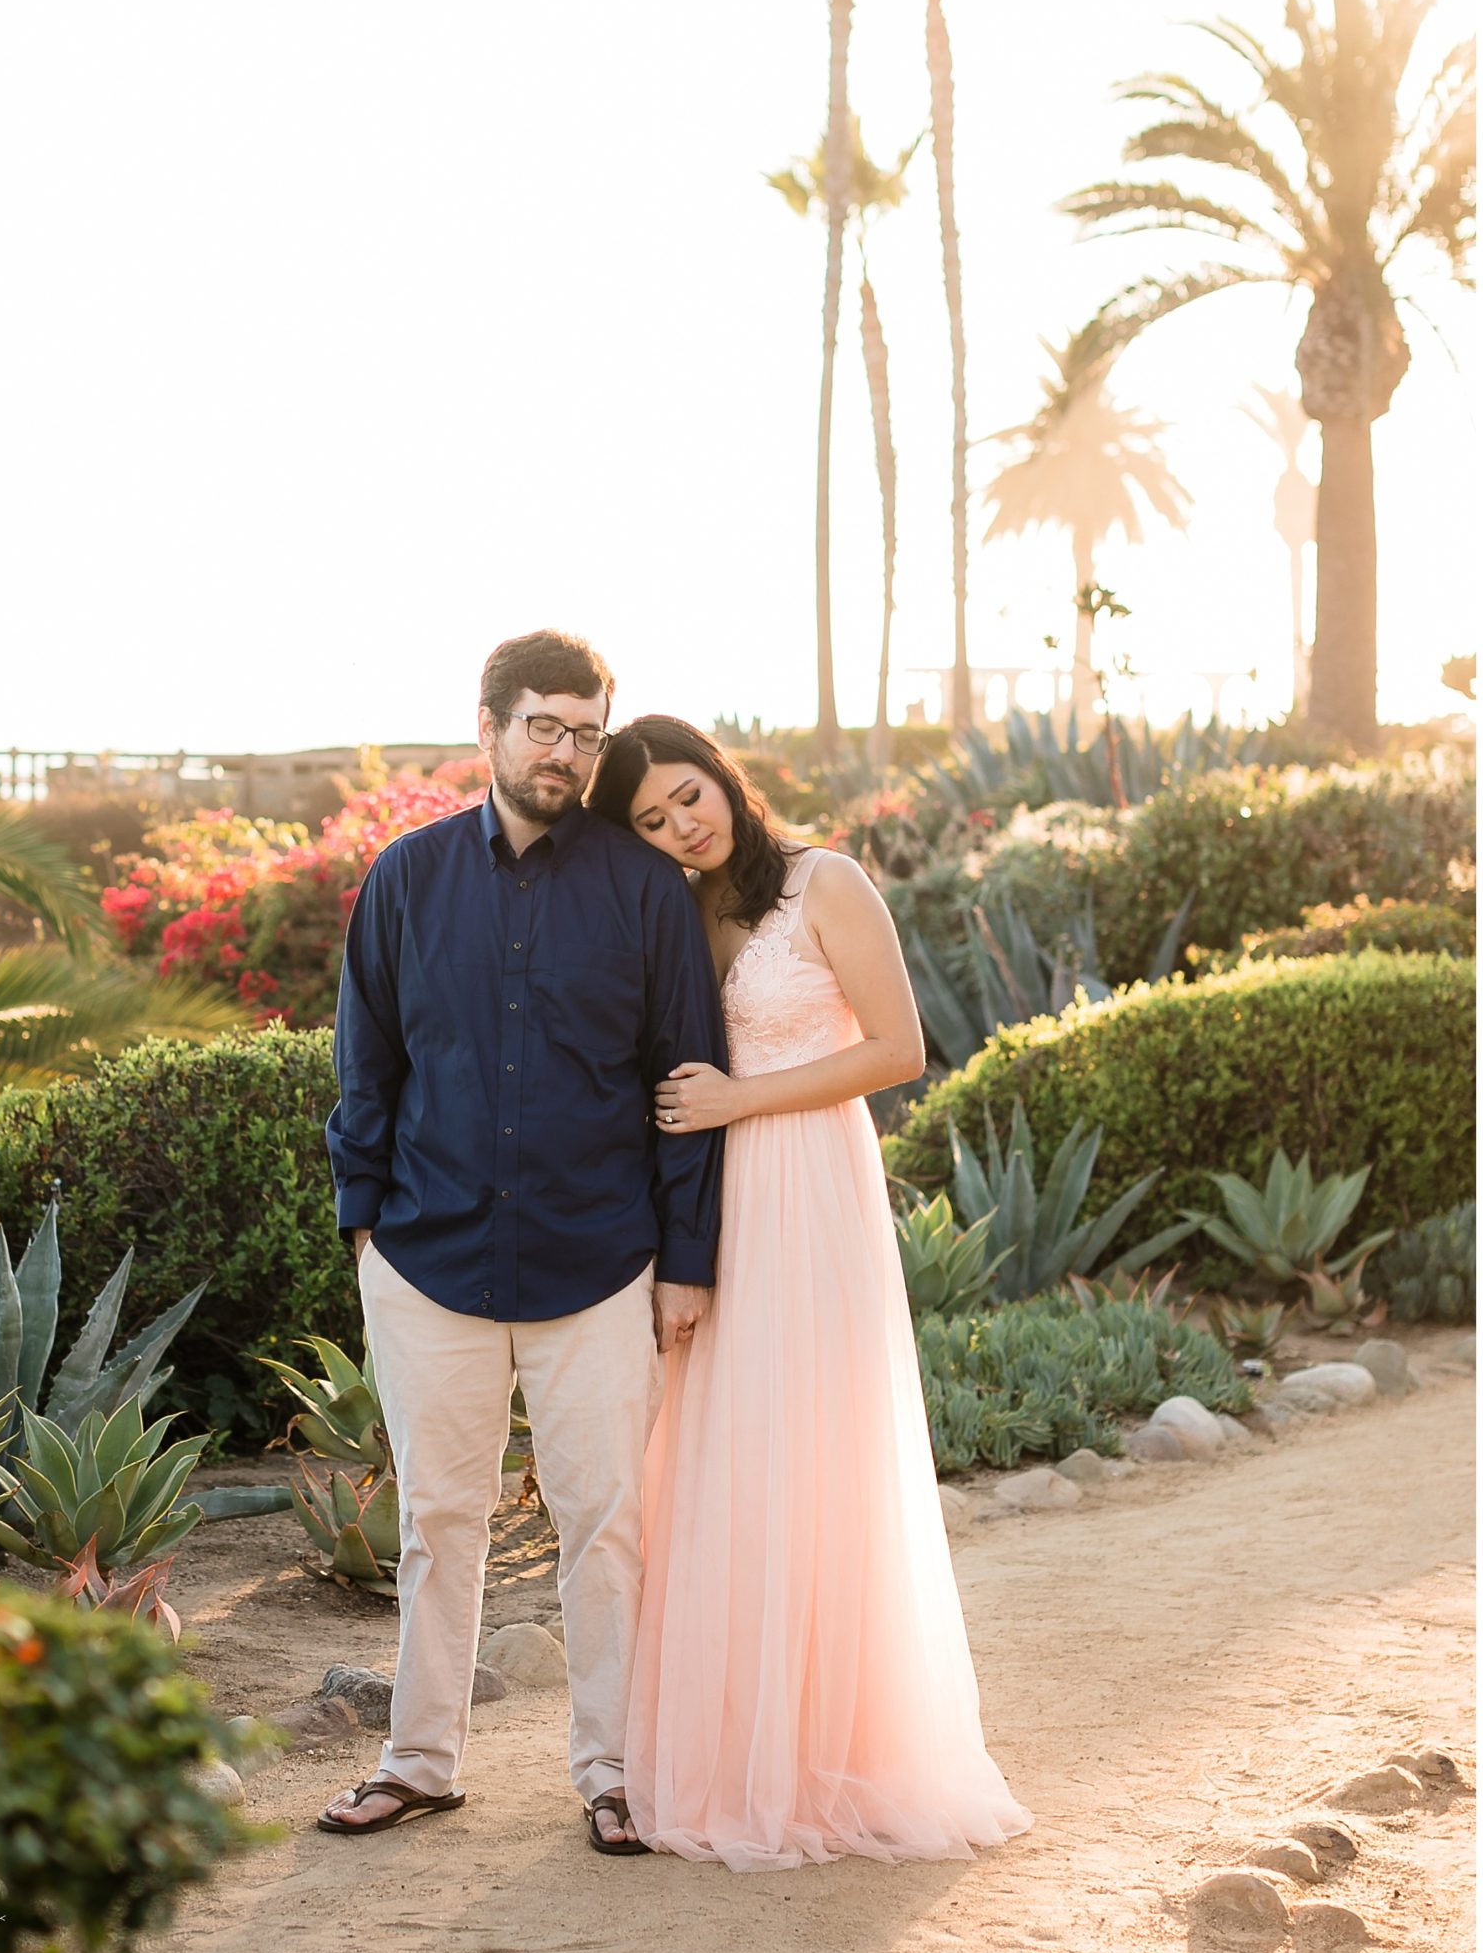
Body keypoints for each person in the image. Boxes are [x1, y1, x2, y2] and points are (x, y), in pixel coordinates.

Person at [589, 715, 1034, 1872]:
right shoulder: (673, 912)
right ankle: (729, 1751)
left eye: (688, 796)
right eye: (650, 819)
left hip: (811, 1190)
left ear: (722, 778)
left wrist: (746, 1096)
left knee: (815, 1455)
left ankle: (835, 1752)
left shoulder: (820, 882)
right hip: (711, 1205)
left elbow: (899, 1048)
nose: (680, 825)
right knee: (716, 1457)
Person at [318, 634, 729, 1855]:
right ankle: (419, 1761)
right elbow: (366, 1070)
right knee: (439, 1523)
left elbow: (683, 1083)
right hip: (426, 1261)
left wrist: (687, 1261)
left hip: (598, 1265)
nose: (566, 752)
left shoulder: (645, 892)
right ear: (490, 726)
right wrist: (365, 1237)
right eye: (545, 727)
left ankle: (612, 1771)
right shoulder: (404, 879)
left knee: (605, 1527)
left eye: (586, 733)